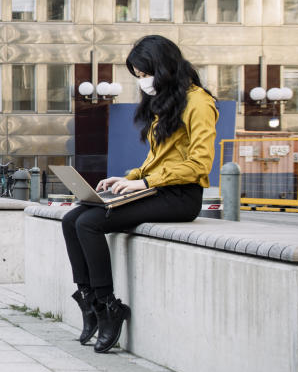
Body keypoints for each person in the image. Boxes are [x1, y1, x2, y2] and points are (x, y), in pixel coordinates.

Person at [61, 35, 217, 353]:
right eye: (139, 77)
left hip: (181, 197)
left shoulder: (199, 102)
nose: (143, 82)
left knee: (89, 222)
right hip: (158, 188)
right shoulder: (169, 101)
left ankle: (109, 306)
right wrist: (129, 178)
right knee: (71, 218)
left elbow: (199, 164)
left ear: (165, 67)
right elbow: (159, 158)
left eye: (146, 74)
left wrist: (145, 185)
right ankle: (89, 300)